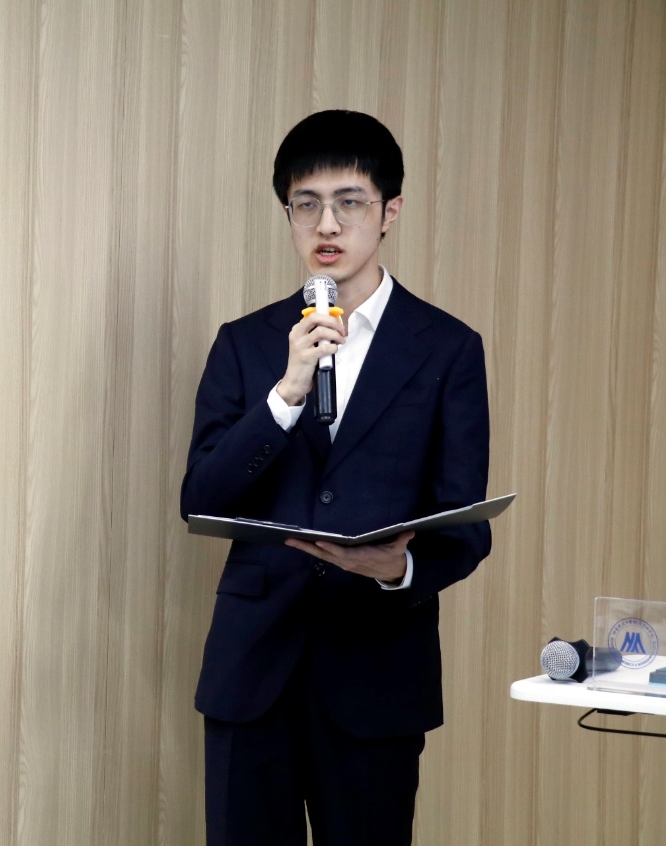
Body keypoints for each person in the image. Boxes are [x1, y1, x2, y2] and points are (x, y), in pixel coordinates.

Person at [180, 110, 491, 846]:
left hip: (376, 670)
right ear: (287, 213)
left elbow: (466, 524)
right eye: (306, 204)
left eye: (350, 202)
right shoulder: (246, 344)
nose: (327, 224)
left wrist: (398, 569)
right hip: (253, 670)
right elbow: (202, 499)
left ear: (390, 211)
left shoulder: (447, 348)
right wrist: (286, 393)